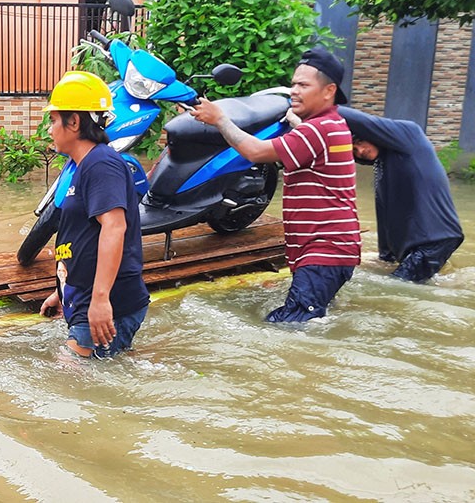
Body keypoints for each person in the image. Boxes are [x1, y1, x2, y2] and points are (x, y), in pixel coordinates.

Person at [189, 47, 361, 322]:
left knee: (286, 327)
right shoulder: (328, 124)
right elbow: (303, 139)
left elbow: (256, 152)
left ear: (329, 91)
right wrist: (294, 121)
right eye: (293, 84)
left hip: (323, 252)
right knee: (313, 321)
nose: (294, 90)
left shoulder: (317, 130)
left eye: (303, 85)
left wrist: (220, 119)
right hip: (329, 251)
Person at [39, 70, 150, 357]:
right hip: (83, 299)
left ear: (74, 121)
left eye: (53, 121)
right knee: (105, 370)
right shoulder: (82, 165)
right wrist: (62, 292)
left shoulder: (101, 164)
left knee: (71, 386)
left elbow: (114, 227)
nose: (49, 129)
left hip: (103, 301)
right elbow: (81, 236)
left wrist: (100, 300)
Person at [336, 106, 464, 282]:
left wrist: (316, 105)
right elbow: (387, 214)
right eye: (354, 150)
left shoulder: (410, 137)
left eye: (359, 142)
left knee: (390, 289)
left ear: (374, 135)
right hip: (412, 246)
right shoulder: (384, 162)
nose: (360, 151)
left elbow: (361, 121)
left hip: (432, 242)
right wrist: (385, 257)